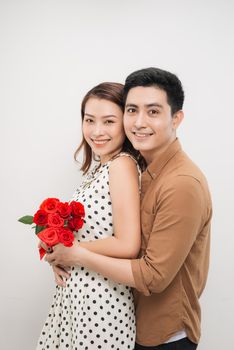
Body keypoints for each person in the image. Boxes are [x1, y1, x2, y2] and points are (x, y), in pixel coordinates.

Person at [46, 68, 212, 350]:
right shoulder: (141, 167)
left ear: (176, 118)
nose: (139, 122)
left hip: (163, 335)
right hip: (126, 320)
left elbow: (152, 277)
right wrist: (61, 251)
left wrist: (76, 255)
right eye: (132, 110)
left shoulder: (181, 184)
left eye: (153, 112)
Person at [37, 82, 143, 350]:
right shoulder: (101, 168)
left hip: (101, 304)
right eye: (89, 120)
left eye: (109, 121)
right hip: (80, 299)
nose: (97, 131)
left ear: (126, 124)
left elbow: (128, 244)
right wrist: (55, 250)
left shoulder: (122, 165)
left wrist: (69, 251)